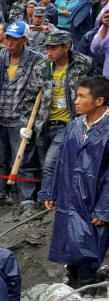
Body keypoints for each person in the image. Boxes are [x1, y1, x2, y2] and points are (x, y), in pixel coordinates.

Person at [41, 76, 109, 289]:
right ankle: (73, 280)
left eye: (82, 96)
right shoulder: (73, 126)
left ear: (98, 101)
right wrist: (51, 193)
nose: (76, 101)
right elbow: (61, 162)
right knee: (69, 239)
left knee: (89, 242)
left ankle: (87, 285)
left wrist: (104, 209)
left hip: (94, 196)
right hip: (70, 195)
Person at [26, 31, 99, 203]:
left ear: (66, 47)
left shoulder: (84, 64)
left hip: (70, 123)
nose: (49, 52)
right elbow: (30, 96)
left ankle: (45, 199)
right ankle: (55, 198)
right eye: (47, 48)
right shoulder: (42, 66)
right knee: (46, 165)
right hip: (44, 124)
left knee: (51, 163)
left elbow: (97, 91)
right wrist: (27, 124)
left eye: (53, 48)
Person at [0, 21, 44, 209]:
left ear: (24, 40)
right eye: (7, 39)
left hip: (22, 118)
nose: (9, 44)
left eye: (14, 40)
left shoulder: (37, 60)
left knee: (23, 158)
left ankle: (26, 197)